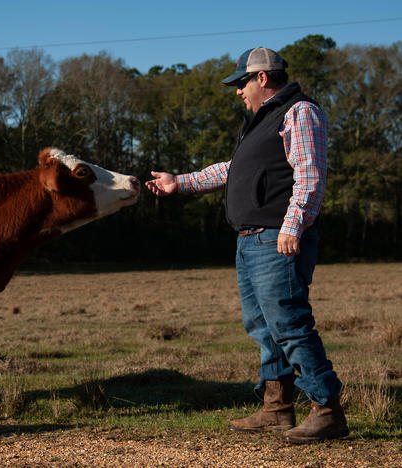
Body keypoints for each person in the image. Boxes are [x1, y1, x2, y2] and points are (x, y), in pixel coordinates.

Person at [145, 47, 348, 444]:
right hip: (250, 241)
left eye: (241, 83)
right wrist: (179, 182)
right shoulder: (260, 122)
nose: (238, 91)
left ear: (262, 78)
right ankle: (277, 408)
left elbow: (311, 176)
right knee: (263, 327)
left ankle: (327, 409)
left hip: (278, 238)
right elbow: (231, 169)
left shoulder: (299, 111)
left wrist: (293, 226)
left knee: (289, 324)